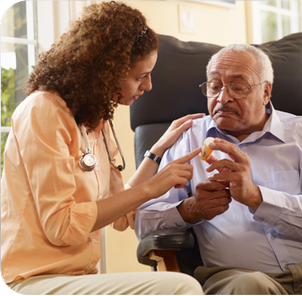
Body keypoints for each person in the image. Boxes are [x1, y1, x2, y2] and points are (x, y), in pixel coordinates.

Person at [1, 2, 204, 295]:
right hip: (34, 279)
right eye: (139, 76)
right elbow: (62, 226)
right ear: (105, 72)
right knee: (182, 288)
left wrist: (157, 152)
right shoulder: (43, 111)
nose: (148, 86)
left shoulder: (95, 118)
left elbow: (121, 216)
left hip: (80, 275)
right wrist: (152, 188)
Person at [135, 43, 302, 294]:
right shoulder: (189, 140)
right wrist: (190, 209)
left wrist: (258, 197)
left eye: (238, 87)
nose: (223, 98)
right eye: (214, 86)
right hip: (241, 276)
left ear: (266, 92)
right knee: (250, 286)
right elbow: (143, 223)